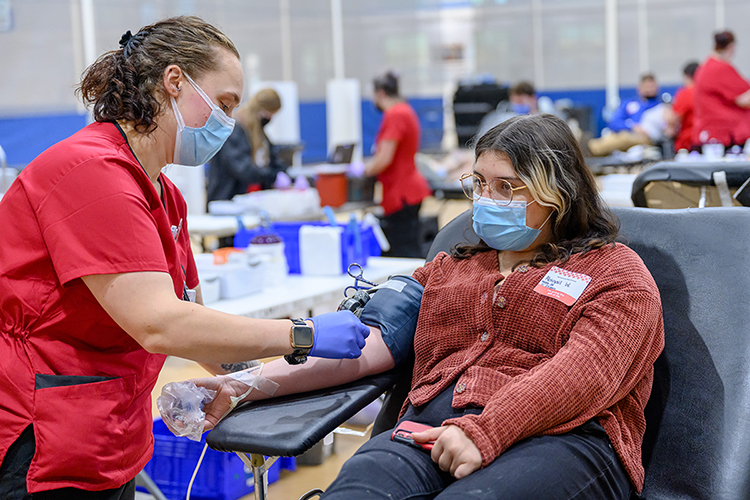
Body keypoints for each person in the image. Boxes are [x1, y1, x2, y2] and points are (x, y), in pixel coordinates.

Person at [194, 114, 665, 499]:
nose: (486, 199)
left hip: (562, 439)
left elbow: (582, 375)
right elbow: (365, 348)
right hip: (426, 435)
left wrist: (486, 432)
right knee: (357, 491)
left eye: (508, 187)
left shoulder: (615, 274)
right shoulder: (445, 271)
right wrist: (241, 386)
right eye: (479, 183)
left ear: (558, 193)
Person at [0, 17, 370, 500]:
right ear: (175, 82)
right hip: (44, 430)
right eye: (223, 104)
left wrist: (252, 381)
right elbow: (160, 324)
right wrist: (304, 334)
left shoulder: (164, 194)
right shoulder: (90, 172)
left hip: (109, 426)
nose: (228, 122)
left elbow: (191, 320)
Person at [365, 71, 432, 258]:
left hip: (401, 192)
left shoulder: (395, 114)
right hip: (408, 189)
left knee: (404, 252)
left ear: (379, 94)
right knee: (407, 246)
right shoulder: (405, 110)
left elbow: (384, 158)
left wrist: (364, 169)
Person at [207, 88, 287, 203]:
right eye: (270, 114)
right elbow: (242, 168)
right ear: (263, 111)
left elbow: (272, 156)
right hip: (226, 198)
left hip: (244, 199)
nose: (270, 119)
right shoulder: (234, 130)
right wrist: (272, 176)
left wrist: (282, 171)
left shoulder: (258, 131)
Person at [693, 30, 750, 147]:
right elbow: (744, 100)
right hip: (722, 135)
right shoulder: (719, 68)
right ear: (731, 46)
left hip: (712, 132)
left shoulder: (707, 66)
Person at [588, 73, 669, 156]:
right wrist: (632, 126)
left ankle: (590, 148)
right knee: (612, 137)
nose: (649, 90)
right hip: (625, 134)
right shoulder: (629, 104)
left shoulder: (661, 106)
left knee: (624, 138)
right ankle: (590, 148)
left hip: (647, 138)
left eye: (652, 87)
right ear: (639, 88)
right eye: (646, 87)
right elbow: (614, 123)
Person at [670, 61, 700, 151]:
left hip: (688, 143)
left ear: (686, 76)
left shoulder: (686, 93)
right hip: (705, 140)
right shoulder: (707, 94)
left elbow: (674, 119)